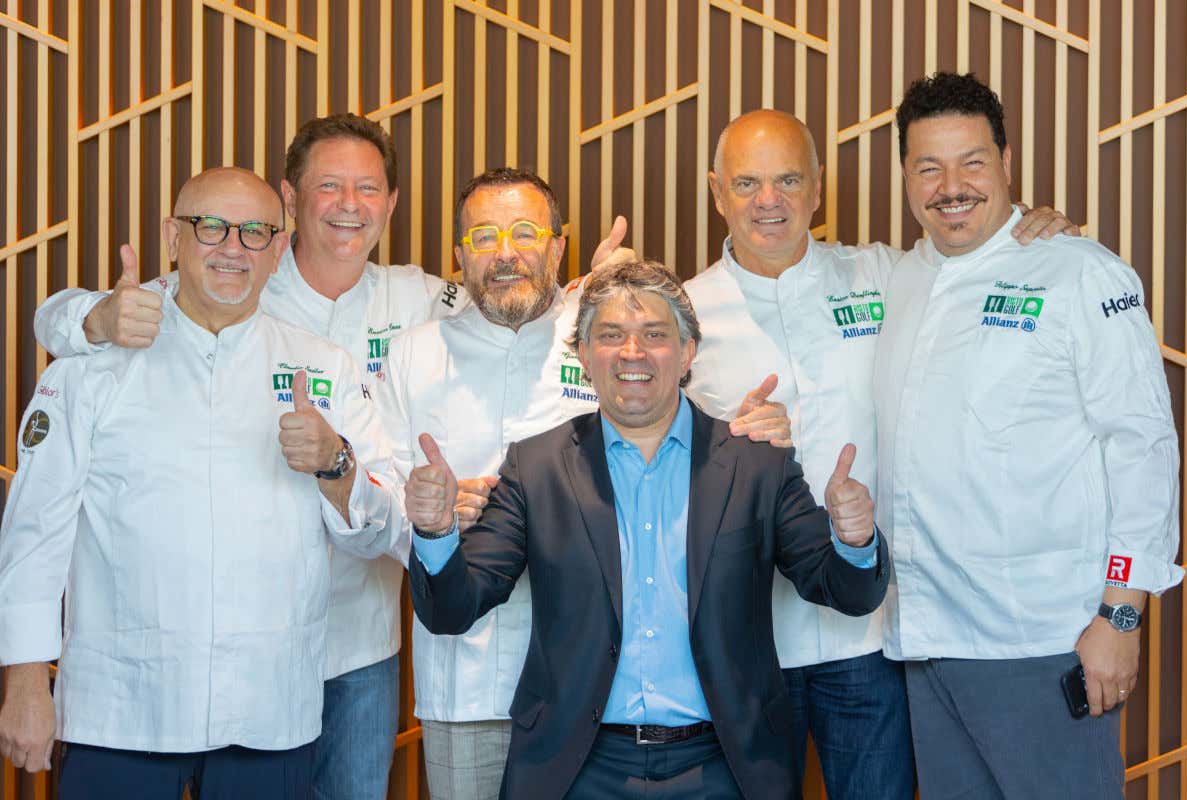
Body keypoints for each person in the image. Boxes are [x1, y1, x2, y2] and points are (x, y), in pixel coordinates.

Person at [30, 117, 634, 800]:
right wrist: (91, 320)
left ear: (391, 203)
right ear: (290, 201)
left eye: (368, 188)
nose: (350, 205)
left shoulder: (418, 299)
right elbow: (72, 319)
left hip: (358, 638)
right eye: (329, 186)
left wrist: (592, 297)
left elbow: (511, 297)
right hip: (221, 642)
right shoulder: (234, 273)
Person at [683, 107, 1078, 798]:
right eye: (746, 183)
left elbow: (976, 271)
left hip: (873, 636)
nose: (769, 200)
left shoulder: (885, 275)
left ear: (817, 187)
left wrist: (1032, 237)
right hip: (747, 638)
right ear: (718, 193)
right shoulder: (682, 314)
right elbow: (640, 456)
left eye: (787, 180)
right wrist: (723, 449)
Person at [401, 260, 890, 800]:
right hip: (577, 766)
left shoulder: (755, 464)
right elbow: (452, 609)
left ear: (687, 353)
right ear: (583, 355)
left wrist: (855, 541)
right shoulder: (536, 467)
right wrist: (436, 533)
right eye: (611, 335)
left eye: (654, 335)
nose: (632, 352)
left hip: (726, 764)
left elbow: (845, 592)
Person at [377, 169, 792, 800]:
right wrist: (430, 525)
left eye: (525, 233)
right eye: (485, 237)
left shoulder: (608, 328)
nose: (506, 252)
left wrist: (760, 424)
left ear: (558, 247)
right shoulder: (415, 353)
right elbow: (384, 505)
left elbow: (688, 425)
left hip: (600, 697)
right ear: (459, 253)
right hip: (467, 681)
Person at [0, 167, 405, 799]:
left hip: (269, 709)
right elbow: (35, 530)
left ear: (278, 249)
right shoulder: (95, 364)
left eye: (254, 232)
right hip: (122, 708)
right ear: (173, 237)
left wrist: (336, 462)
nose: (232, 248)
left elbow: (381, 530)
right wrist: (25, 679)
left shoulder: (325, 367)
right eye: (211, 227)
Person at [873, 72, 1182, 799]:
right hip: (924, 642)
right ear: (906, 175)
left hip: (1045, 643)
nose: (952, 187)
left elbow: (1142, 448)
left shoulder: (1080, 271)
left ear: (1006, 161)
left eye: (973, 162)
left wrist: (1121, 615)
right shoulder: (899, 277)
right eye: (929, 167)